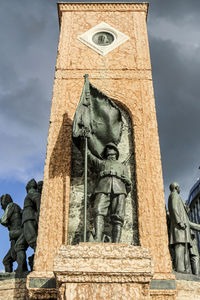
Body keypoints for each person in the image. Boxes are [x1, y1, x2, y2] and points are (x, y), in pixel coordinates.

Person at [88, 143, 131, 243]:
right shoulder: (102, 163)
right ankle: (97, 238)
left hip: (119, 189)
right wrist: (83, 141)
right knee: (98, 210)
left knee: (118, 217)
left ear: (116, 152)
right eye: (108, 149)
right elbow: (89, 156)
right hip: (103, 188)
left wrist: (128, 183)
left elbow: (129, 186)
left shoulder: (122, 167)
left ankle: (116, 242)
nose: (109, 150)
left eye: (112, 148)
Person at [168, 182, 200, 273]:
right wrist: (179, 222)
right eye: (179, 187)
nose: (180, 189)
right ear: (176, 187)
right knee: (180, 247)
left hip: (182, 229)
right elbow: (174, 208)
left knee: (182, 248)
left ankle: (183, 269)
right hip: (179, 228)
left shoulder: (175, 197)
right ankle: (180, 268)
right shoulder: (174, 196)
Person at [15, 179, 41, 271]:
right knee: (19, 245)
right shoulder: (30, 193)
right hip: (26, 220)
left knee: (34, 242)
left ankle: (40, 263)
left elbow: (37, 199)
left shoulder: (31, 192)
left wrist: (39, 213)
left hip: (29, 219)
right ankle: (22, 268)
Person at [0, 194, 27, 273]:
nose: (1, 207)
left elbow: (3, 220)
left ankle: (21, 270)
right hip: (19, 232)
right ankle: (22, 268)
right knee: (9, 258)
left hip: (15, 233)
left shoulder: (11, 206)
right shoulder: (17, 207)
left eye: (1, 204)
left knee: (11, 256)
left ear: (5, 202)